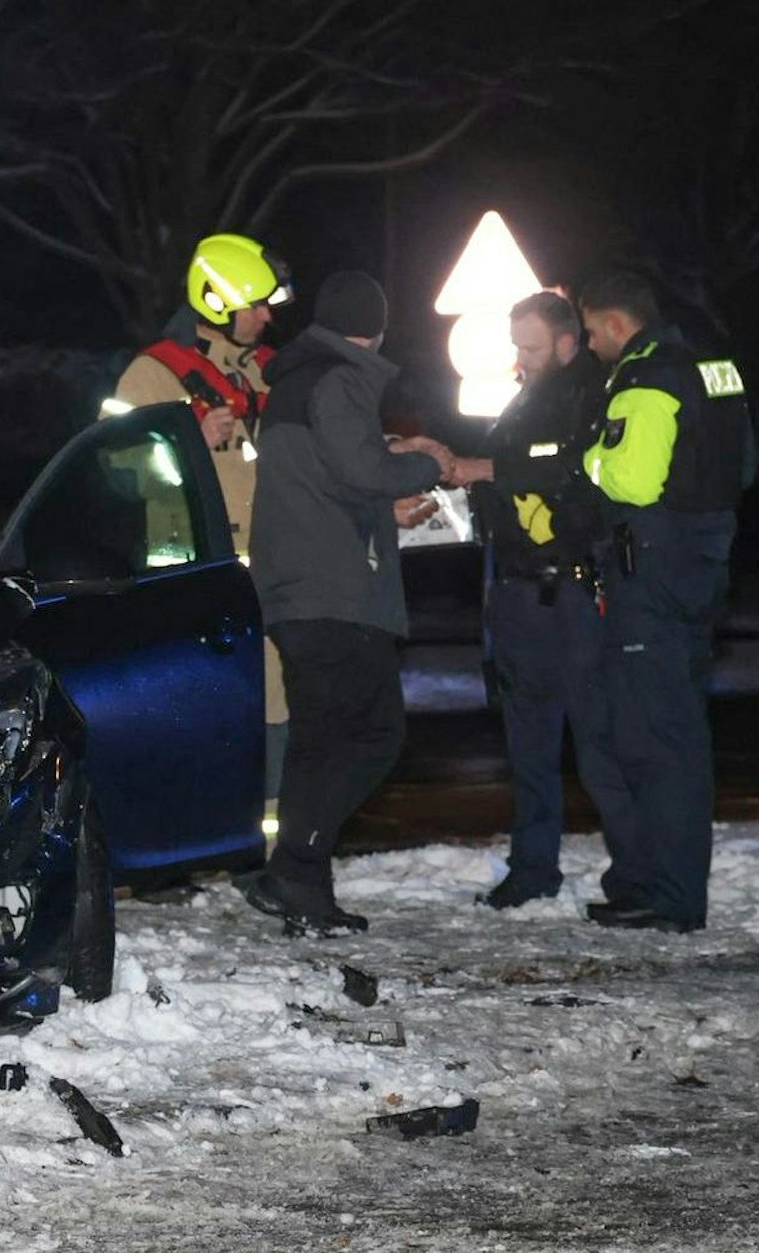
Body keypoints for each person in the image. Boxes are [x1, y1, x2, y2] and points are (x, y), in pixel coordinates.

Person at [240, 270, 453, 934]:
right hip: (333, 594)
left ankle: (304, 887)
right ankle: (293, 864)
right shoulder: (339, 377)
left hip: (300, 589)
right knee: (376, 733)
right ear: (377, 327)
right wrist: (429, 463)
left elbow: (334, 480)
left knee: (317, 741)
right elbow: (362, 469)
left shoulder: (298, 381)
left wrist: (387, 494)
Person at [572, 271, 754, 933]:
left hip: (649, 574)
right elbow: (744, 467)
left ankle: (671, 897)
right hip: (699, 567)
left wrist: (587, 457)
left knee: (658, 740)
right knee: (664, 729)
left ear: (617, 324)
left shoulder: (646, 378)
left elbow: (631, 479)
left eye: (591, 331)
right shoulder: (715, 369)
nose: (590, 345)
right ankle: (657, 885)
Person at [449, 291, 642, 909]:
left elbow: (568, 470)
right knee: (528, 743)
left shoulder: (594, 395)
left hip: (571, 594)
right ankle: (533, 869)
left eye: (531, 347)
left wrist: (484, 470)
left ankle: (636, 875)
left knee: (597, 745)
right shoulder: (529, 395)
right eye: (516, 346)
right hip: (521, 593)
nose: (520, 359)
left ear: (567, 342)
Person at [107, 232, 294, 826]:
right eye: (256, 304)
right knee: (187, 713)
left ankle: (263, 849)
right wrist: (187, 439)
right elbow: (118, 469)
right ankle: (177, 844)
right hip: (187, 578)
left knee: (274, 710)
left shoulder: (267, 370)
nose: (266, 316)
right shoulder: (153, 375)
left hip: (268, 572)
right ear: (217, 302)